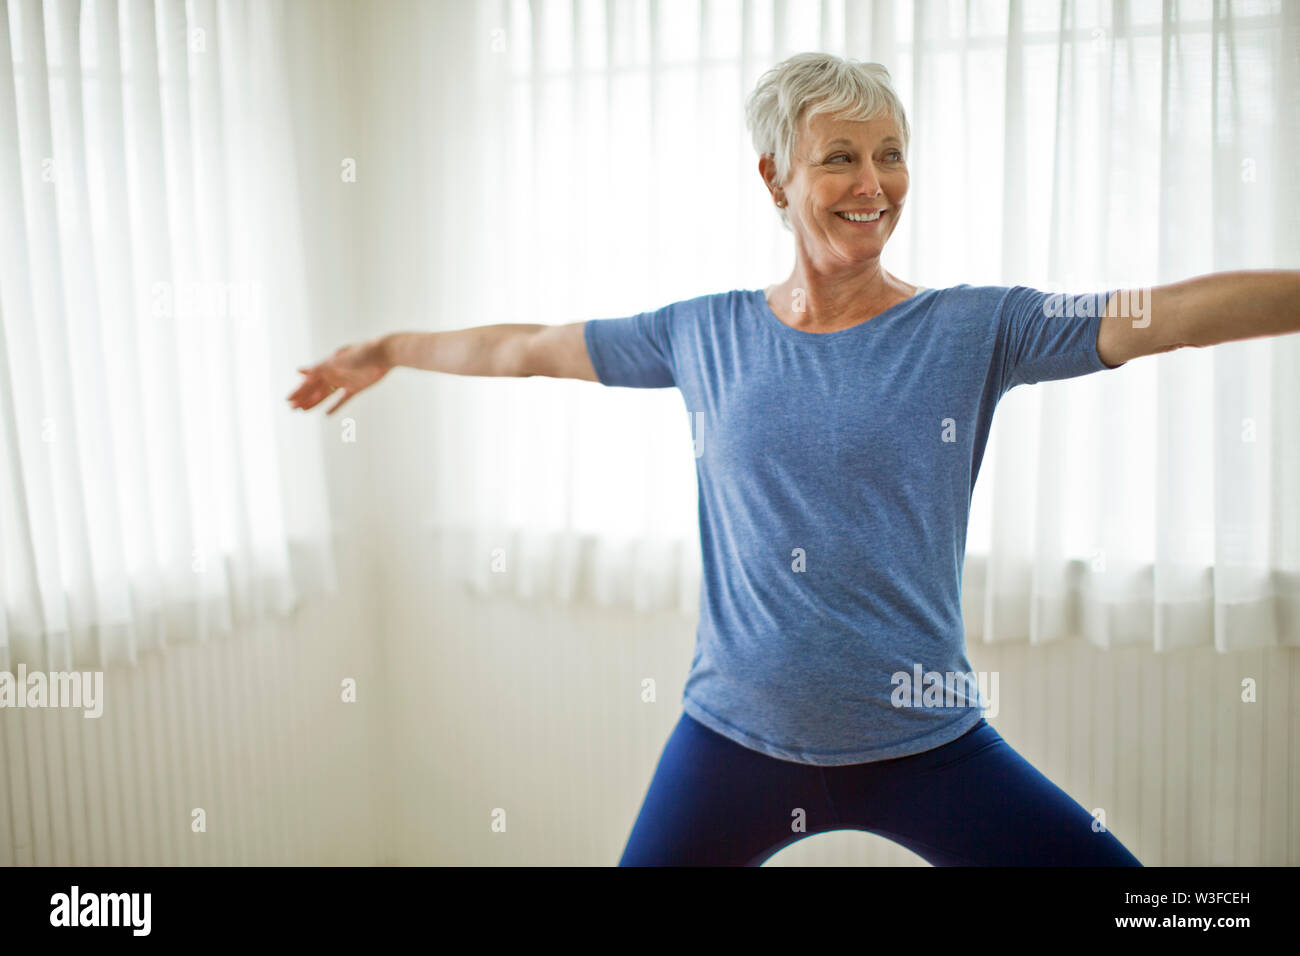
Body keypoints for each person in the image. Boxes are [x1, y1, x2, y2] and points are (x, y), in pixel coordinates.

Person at [287, 52, 1300, 866]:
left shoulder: (974, 329)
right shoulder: (703, 334)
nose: (873, 183)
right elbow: (527, 346)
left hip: (926, 736)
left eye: (891, 154)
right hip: (732, 739)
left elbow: (1159, 318)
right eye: (840, 157)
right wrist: (386, 350)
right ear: (775, 175)